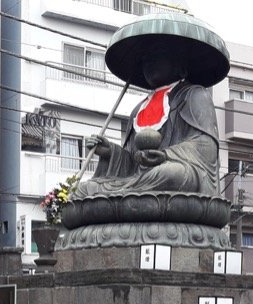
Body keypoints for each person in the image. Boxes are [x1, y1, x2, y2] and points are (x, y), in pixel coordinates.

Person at [76, 47, 219, 198]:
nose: (148, 64)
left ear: (181, 68)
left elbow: (206, 147)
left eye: (156, 57)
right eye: (145, 61)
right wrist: (111, 152)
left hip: (174, 175)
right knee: (82, 189)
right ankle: (126, 194)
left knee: (171, 173)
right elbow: (133, 161)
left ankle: (122, 195)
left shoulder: (194, 95)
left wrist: (166, 155)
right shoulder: (139, 108)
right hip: (138, 179)